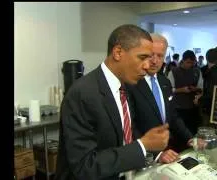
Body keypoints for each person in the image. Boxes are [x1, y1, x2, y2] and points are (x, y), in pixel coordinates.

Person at [54, 24, 170, 180]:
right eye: (142, 58)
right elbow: (85, 166)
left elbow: (125, 132)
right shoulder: (82, 94)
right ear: (118, 52)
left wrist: (155, 153)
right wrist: (143, 145)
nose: (148, 65)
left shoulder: (125, 87)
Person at [127, 34, 206, 164]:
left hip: (165, 148)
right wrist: (156, 154)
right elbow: (130, 127)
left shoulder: (164, 81)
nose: (155, 61)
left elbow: (172, 116)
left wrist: (191, 138)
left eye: (160, 56)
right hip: (142, 155)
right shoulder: (131, 83)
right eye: (151, 55)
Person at [167, 50, 202, 135]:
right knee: (180, 133)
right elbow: (168, 89)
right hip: (178, 108)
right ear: (183, 60)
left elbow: (201, 87)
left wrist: (195, 89)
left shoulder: (197, 71)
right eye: (188, 62)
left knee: (193, 131)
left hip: (193, 107)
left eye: (192, 63)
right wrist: (181, 90)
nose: (189, 65)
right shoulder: (173, 72)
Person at [194, 48, 217, 126]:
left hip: (211, 110)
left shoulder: (210, 74)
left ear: (206, 58)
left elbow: (210, 94)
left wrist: (199, 100)